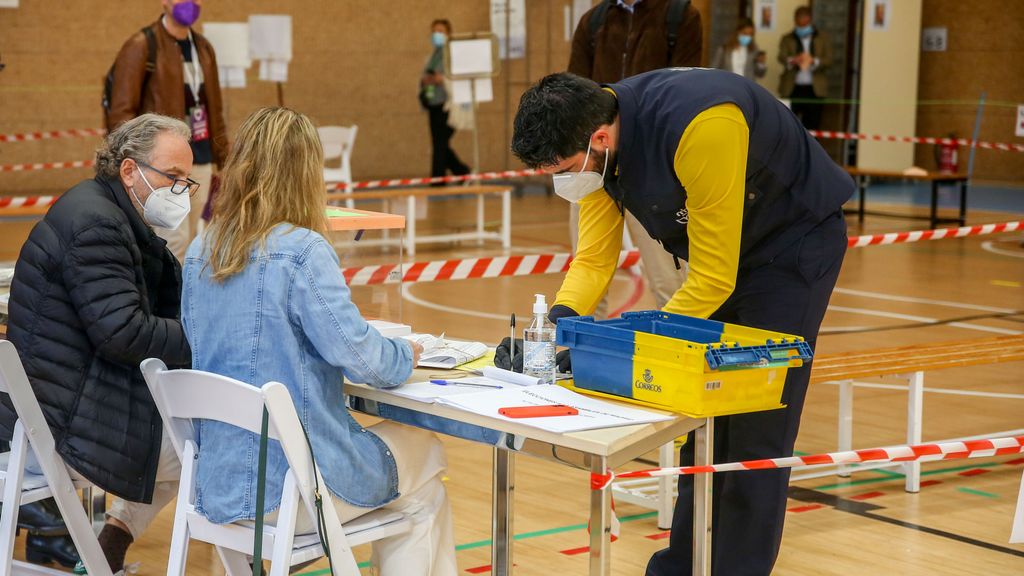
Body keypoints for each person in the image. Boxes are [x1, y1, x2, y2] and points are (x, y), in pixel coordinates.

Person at [511, 69, 852, 575]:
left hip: (791, 250)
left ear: (599, 138)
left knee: (757, 428)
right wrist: (555, 325)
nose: (560, 179)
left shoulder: (701, 125)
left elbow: (714, 278)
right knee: (703, 419)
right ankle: (684, 563)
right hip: (727, 257)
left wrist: (639, 343)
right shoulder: (599, 150)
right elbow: (593, 259)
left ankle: (738, 568)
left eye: (561, 167)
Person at [182, 107, 462, 575]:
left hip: (219, 486)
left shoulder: (199, 250)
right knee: (425, 472)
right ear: (307, 174)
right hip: (293, 486)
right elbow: (366, 362)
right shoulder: (302, 252)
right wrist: (406, 354)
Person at [0, 114, 194, 573]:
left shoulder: (100, 209)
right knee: (207, 441)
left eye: (187, 181)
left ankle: (109, 545)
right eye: (173, 177)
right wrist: (205, 335)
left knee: (191, 435)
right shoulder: (97, 226)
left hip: (54, 406)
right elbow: (122, 331)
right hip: (61, 425)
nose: (181, 191)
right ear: (130, 171)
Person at [567, 0, 702, 317]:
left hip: (652, 165)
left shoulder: (679, 15)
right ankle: (583, 350)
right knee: (587, 270)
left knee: (668, 277)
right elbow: (572, 92)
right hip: (596, 159)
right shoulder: (594, 20)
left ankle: (677, 344)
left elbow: (684, 88)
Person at [107, 0, 228, 262]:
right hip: (161, 163)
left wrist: (225, 160)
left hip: (201, 157)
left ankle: (185, 300)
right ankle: (168, 301)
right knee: (173, 239)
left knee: (196, 238)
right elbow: (121, 112)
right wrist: (135, 162)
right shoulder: (142, 45)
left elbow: (215, 110)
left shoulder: (204, 48)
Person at [420, 18, 470, 184]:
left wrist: (441, 79)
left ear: (448, 34)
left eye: (440, 31)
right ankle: (462, 172)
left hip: (447, 104)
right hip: (434, 103)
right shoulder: (434, 55)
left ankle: (439, 179)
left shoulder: (453, 55)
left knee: (441, 142)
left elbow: (458, 77)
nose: (437, 35)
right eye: (434, 31)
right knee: (439, 143)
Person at [778, 5, 831, 130]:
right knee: (790, 126)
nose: (802, 28)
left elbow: (829, 60)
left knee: (813, 126)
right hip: (793, 88)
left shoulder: (822, 38)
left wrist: (814, 61)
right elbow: (781, 57)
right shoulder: (787, 38)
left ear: (810, 21)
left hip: (814, 89)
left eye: (804, 25)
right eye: (799, 25)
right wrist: (793, 60)